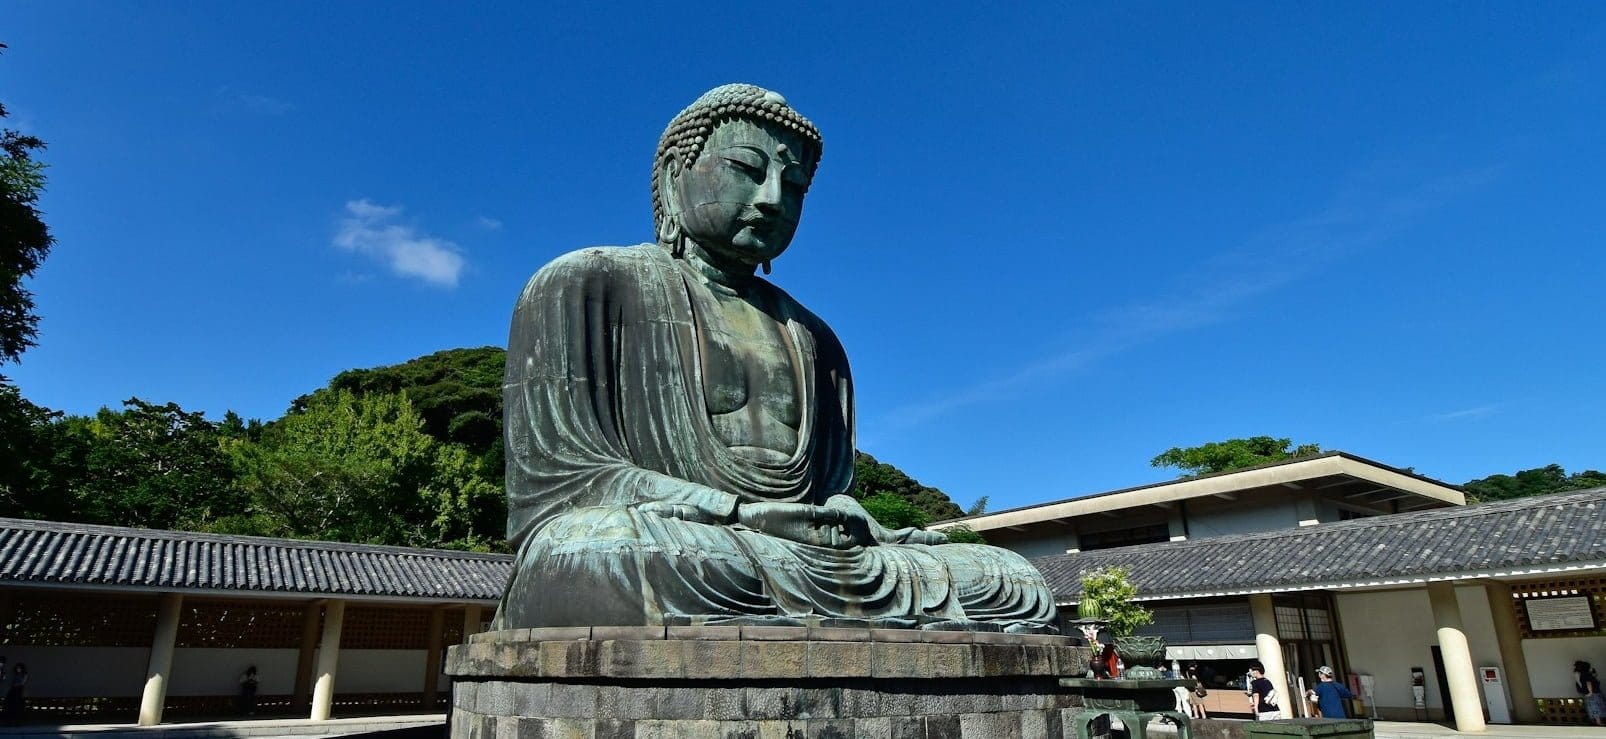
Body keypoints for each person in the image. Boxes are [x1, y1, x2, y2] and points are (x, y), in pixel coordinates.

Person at [493, 84, 1057, 632]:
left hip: (797, 553)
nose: (771, 199)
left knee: (1006, 576)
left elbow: (827, 487)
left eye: (794, 187)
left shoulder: (815, 337)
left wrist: (845, 513)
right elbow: (562, 483)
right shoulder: (584, 284)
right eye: (747, 169)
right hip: (680, 540)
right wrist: (736, 513)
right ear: (671, 176)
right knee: (593, 551)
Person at [1578, 661, 1605, 727]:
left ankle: (1597, 721)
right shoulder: (1586, 675)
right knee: (1596, 707)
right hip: (1593, 693)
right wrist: (1590, 692)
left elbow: (1594, 675)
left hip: (1593, 693)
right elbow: (1588, 683)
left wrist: (1593, 670)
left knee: (1594, 707)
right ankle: (1598, 722)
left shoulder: (1584, 674)